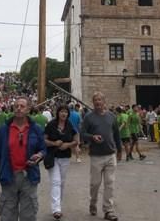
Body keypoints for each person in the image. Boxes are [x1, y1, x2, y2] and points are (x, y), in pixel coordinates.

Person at [0, 96, 46, 221]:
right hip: (8, 176)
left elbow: (43, 149)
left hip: (29, 177)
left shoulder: (36, 129)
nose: (18, 109)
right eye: (16, 106)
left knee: (28, 216)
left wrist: (40, 155)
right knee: (7, 215)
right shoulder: (3, 130)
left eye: (22, 106)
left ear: (28, 109)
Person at [81, 91, 122, 221]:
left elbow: (116, 135)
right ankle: (93, 203)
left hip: (110, 155)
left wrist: (119, 150)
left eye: (100, 100)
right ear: (93, 103)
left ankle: (108, 210)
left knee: (110, 183)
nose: (98, 102)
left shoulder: (111, 116)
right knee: (95, 184)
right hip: (96, 156)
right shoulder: (88, 117)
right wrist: (92, 137)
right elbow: (82, 133)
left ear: (104, 102)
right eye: (95, 100)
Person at [44, 104, 78, 219]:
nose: (64, 114)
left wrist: (68, 145)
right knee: (56, 182)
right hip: (53, 157)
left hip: (65, 157)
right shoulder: (51, 125)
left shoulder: (69, 125)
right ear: (57, 113)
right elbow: (43, 140)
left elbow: (76, 140)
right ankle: (56, 209)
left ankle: (58, 205)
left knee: (62, 182)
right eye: (62, 111)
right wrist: (54, 143)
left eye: (66, 112)